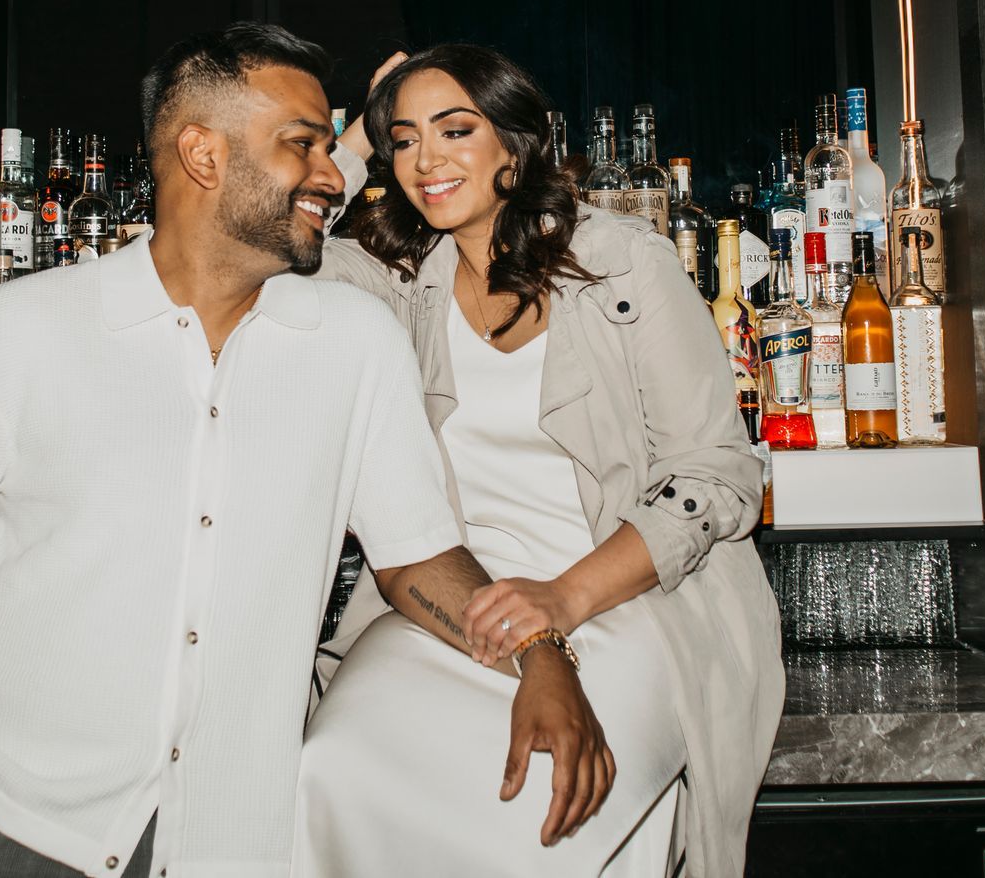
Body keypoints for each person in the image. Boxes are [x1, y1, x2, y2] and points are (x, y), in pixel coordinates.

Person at [0, 24, 612, 878]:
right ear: (202, 155)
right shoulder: (19, 332)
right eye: (304, 145)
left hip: (232, 845)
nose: (333, 175)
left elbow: (417, 561)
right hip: (3, 829)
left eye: (333, 146)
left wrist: (540, 653)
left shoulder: (355, 344)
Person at [295, 44, 785, 877]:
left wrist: (558, 601)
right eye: (406, 141)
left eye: (455, 130)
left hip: (625, 598)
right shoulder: (400, 277)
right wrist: (352, 143)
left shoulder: (624, 262)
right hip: (454, 607)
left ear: (515, 146)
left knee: (539, 812)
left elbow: (715, 475)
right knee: (331, 765)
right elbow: (248, 254)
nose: (427, 160)